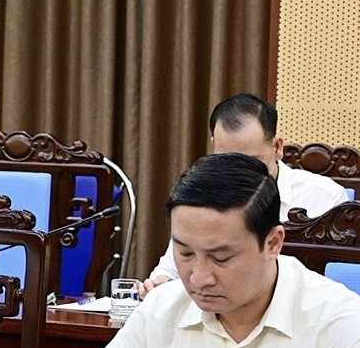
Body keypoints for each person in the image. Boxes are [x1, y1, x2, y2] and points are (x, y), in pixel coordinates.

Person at [58, 152, 360, 348]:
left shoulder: (340, 317)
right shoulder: (164, 306)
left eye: (221, 258)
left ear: (273, 243)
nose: (199, 277)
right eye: (185, 253)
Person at [142, 93, 347, 296]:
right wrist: (161, 283)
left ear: (277, 147)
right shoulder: (203, 194)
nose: (238, 174)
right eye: (227, 161)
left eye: (251, 162)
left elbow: (337, 283)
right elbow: (172, 266)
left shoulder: (324, 197)